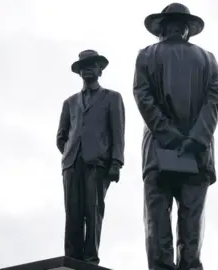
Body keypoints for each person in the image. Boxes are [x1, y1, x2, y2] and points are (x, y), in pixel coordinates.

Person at [133, 3, 218, 270]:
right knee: (192, 223)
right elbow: (216, 99)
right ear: (187, 29)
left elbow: (143, 97)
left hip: (158, 151)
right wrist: (197, 137)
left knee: (157, 222)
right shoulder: (208, 59)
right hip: (198, 154)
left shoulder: (146, 55)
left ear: (161, 27)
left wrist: (169, 135)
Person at [56, 49, 125, 265]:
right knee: (72, 212)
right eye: (83, 66)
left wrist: (115, 162)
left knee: (93, 211)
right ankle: (72, 258)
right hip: (72, 163)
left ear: (99, 71)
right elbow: (61, 136)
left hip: (98, 163)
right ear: (79, 73)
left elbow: (118, 132)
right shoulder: (70, 102)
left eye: (92, 65)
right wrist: (70, 153)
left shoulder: (112, 98)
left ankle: (90, 258)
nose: (87, 68)